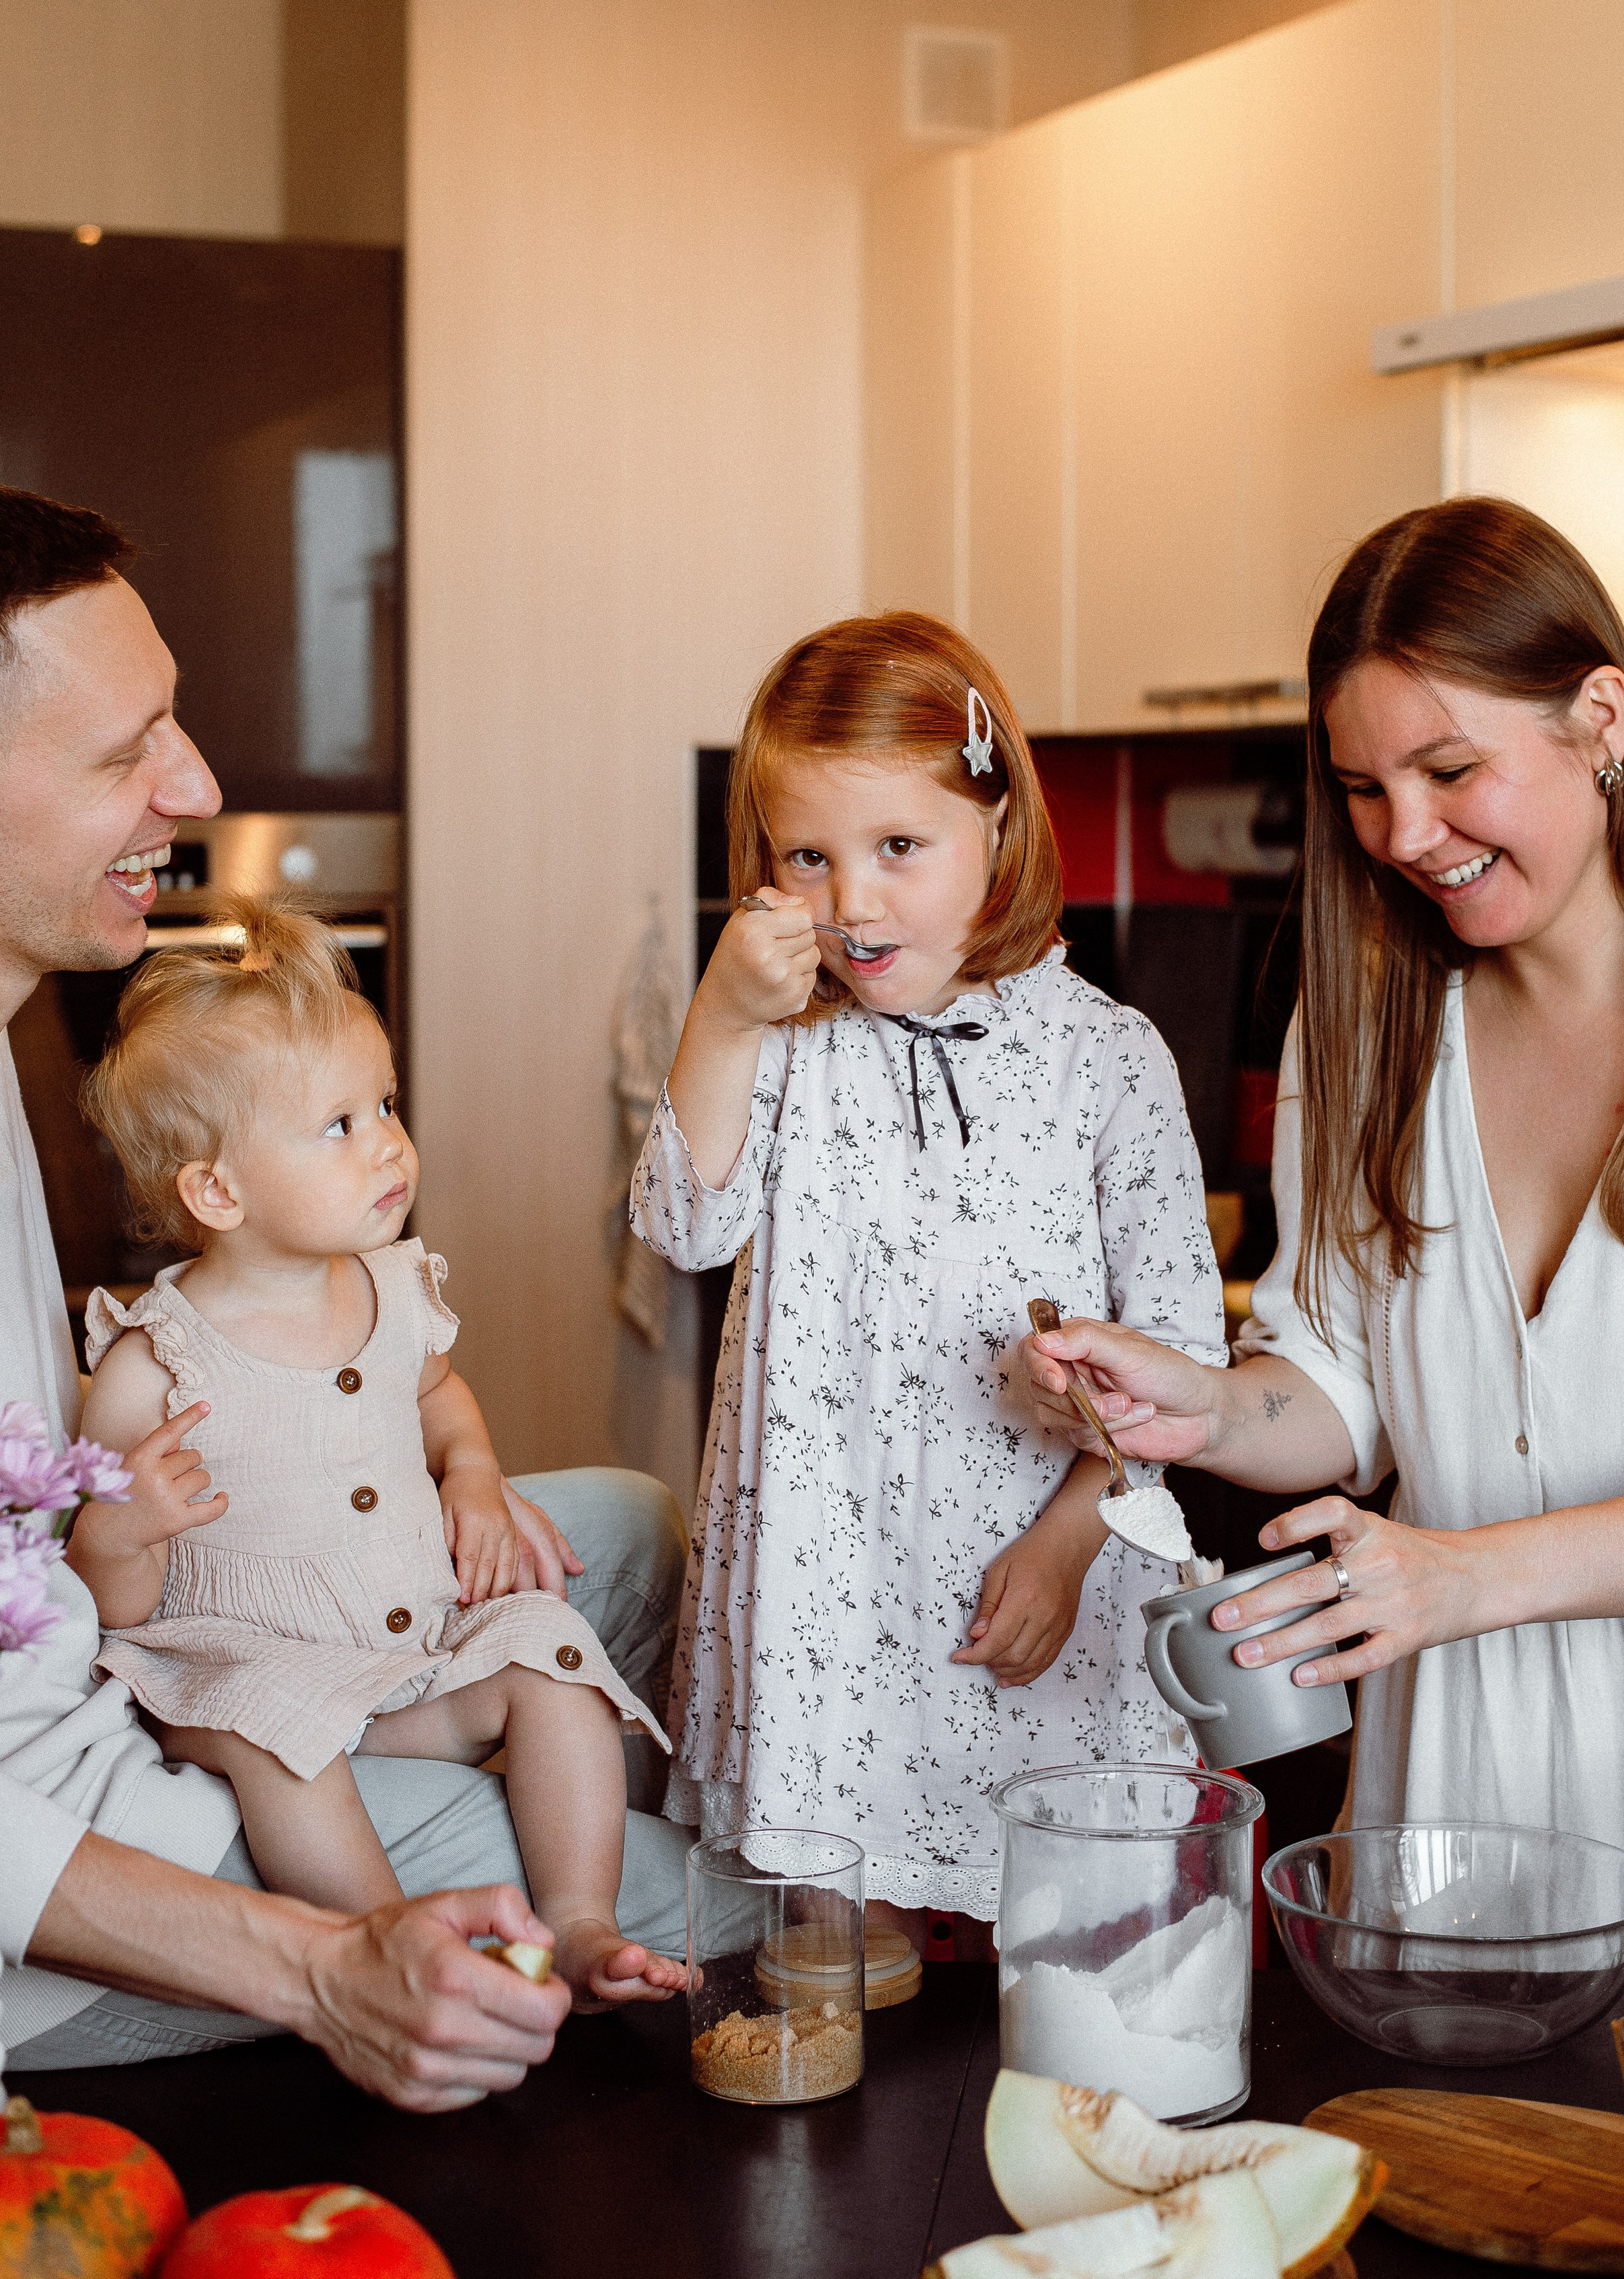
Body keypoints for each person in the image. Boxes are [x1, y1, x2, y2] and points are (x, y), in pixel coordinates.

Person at [0, 486, 690, 2098]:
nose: (199, 784)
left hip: (108, 1676)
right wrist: (331, 1966)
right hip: (99, 1858)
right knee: (777, 1888)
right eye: (127, 752)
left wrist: (456, 1483)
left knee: (640, 1539)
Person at [1024, 497, 1624, 1856]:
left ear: (1599, 720)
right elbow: (1346, 1386)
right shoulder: (1366, 1024)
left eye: (1448, 769)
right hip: (1440, 1813)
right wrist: (1210, 1410)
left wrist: (1464, 1577)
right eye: (1359, 787)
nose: (1402, 834)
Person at [630, 611, 1224, 1929]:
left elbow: (1187, 1351)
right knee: (843, 1965)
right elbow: (681, 1228)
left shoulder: (1105, 1057)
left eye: (898, 846)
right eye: (809, 856)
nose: (852, 901)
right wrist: (721, 1016)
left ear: (996, 825)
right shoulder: (781, 1046)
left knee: (1067, 1940)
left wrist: (1071, 1538)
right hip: (824, 1597)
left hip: (1029, 1578)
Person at [67, 902, 684, 2013]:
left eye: (385, 1104)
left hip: (403, 1651)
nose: (390, 1143)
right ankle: (388, 1947)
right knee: (277, 1742)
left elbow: (441, 1397)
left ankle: (581, 1920)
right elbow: (114, 1608)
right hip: (236, 1660)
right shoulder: (153, 1365)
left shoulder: (392, 1285)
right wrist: (118, 1531)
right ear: (218, 1191)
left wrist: (477, 1476)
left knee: (548, 1652)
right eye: (339, 1125)